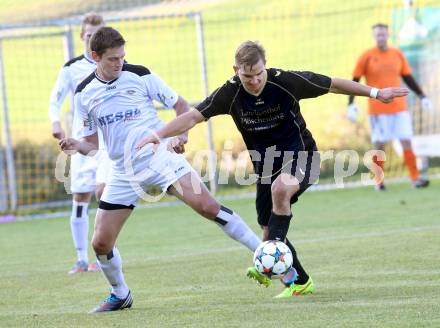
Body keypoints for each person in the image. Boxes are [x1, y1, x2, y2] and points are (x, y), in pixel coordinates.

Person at [136, 40, 409, 298]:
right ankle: (300, 281)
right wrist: (158, 134)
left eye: (258, 74)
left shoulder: (285, 81)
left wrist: (376, 93)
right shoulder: (230, 93)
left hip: (304, 156)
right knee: (268, 225)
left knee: (282, 190)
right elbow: (194, 116)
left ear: (265, 65)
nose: (254, 81)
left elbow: (334, 84)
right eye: (247, 76)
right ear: (236, 71)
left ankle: (266, 257)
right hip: (266, 168)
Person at [60, 27, 261, 313]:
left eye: (122, 57)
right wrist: (74, 145)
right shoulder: (83, 94)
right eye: (113, 59)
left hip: (160, 159)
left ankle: (263, 253)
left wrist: (181, 136)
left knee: (207, 206)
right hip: (123, 172)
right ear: (95, 57)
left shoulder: (140, 75)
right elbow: (93, 145)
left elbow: (181, 106)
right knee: (101, 243)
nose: (120, 63)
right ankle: (120, 294)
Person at [49, 13, 113, 274]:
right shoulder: (71, 68)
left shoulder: (114, 65)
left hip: (109, 144)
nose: (93, 40)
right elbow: (55, 100)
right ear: (82, 37)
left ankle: (105, 257)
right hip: (82, 143)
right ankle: (80, 258)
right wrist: (55, 122)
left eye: (98, 35)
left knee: (107, 197)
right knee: (81, 196)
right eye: (89, 36)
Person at [347, 23, 431, 191]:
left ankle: (415, 178)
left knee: (406, 141)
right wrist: (351, 103)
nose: (381, 37)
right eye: (377, 35)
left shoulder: (397, 54)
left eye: (383, 34)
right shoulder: (367, 56)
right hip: (377, 110)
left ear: (388, 35)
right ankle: (379, 181)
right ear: (374, 36)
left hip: (400, 108)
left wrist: (422, 96)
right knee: (379, 145)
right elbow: (354, 80)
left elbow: (407, 77)